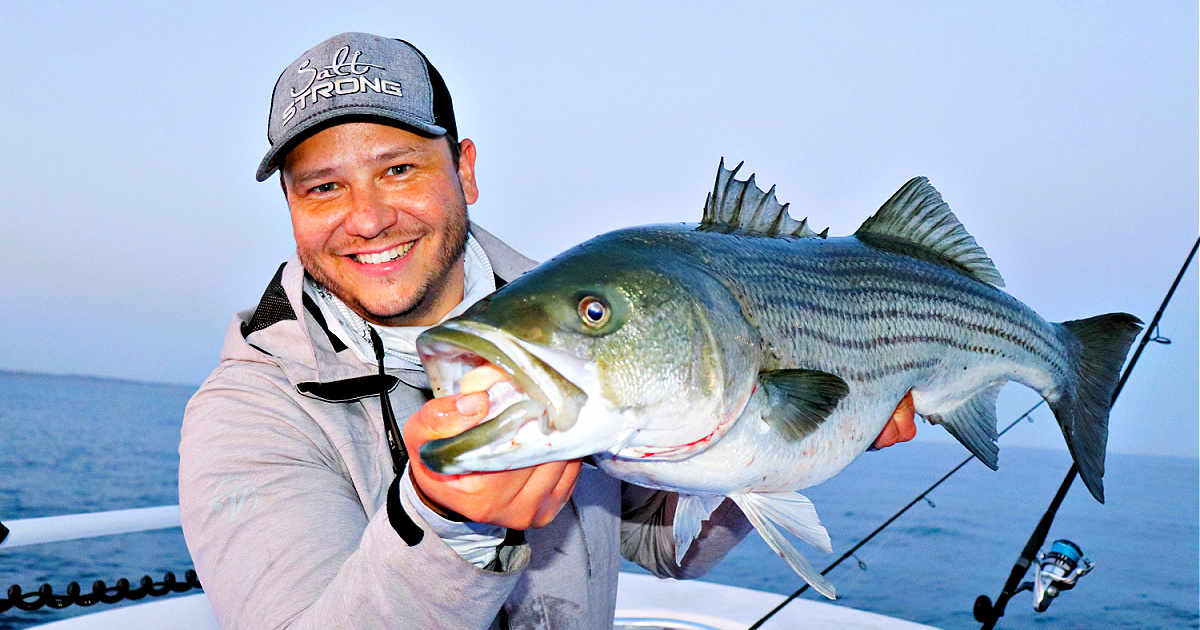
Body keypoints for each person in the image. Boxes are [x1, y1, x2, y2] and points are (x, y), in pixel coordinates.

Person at [178, 32, 916, 630]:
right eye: (323, 187)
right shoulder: (247, 414)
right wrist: (450, 523)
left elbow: (661, 542)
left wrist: (790, 439)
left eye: (398, 169)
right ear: (290, 205)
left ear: (464, 171)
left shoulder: (572, 327)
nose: (367, 218)